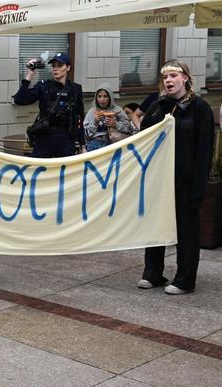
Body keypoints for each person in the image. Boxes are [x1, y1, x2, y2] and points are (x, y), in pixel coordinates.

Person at [138, 60, 214, 295]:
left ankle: (185, 279)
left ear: (186, 79)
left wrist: (199, 187)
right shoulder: (159, 106)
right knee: (155, 226)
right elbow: (144, 137)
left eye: (173, 76)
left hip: (186, 182)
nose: (168, 81)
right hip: (160, 181)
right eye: (165, 77)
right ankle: (152, 273)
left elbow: (204, 150)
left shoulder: (200, 108)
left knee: (187, 230)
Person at [14, 53, 85, 158]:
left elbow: (79, 117)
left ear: (68, 67)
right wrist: (30, 74)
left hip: (66, 139)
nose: (56, 69)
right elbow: (19, 100)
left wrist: (83, 145)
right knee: (37, 169)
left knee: (64, 172)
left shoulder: (75, 89)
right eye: (53, 66)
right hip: (45, 137)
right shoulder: (44, 86)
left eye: (60, 65)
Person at [82, 83, 133, 152]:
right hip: (95, 145)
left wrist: (116, 124)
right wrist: (95, 122)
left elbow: (129, 129)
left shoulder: (118, 110)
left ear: (110, 98)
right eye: (99, 96)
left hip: (114, 144)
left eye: (105, 96)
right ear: (96, 98)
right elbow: (86, 134)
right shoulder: (91, 112)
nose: (102, 99)